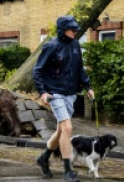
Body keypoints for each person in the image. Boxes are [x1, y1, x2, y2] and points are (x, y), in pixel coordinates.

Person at [33, 15, 94, 181]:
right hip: (55, 93)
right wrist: (43, 92)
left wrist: (87, 87)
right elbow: (37, 71)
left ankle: (43, 158)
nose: (75, 31)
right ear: (62, 30)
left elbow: (79, 68)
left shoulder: (75, 45)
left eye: (75, 29)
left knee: (61, 130)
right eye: (71, 29)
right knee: (67, 128)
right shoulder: (51, 46)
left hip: (71, 94)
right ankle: (68, 171)